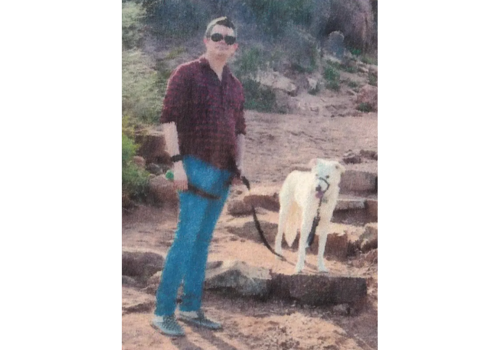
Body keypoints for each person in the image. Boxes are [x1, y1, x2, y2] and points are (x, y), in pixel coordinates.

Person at [152, 17, 246, 337]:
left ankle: (190, 308)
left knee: (203, 242)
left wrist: (239, 167)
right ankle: (163, 311)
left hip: (222, 173)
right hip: (194, 166)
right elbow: (169, 121)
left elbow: (240, 130)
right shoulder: (186, 74)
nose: (221, 41)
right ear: (206, 40)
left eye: (227, 38)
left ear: (234, 47)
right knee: (186, 238)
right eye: (215, 36)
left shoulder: (235, 85)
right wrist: (177, 163)